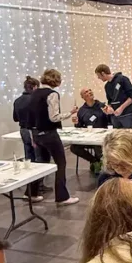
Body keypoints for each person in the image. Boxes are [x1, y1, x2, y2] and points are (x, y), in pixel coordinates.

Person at [28, 69, 79, 206]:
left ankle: (32, 193)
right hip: (49, 134)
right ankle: (62, 197)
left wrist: (33, 135)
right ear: (55, 80)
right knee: (60, 163)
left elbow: (31, 117)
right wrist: (70, 113)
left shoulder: (34, 93)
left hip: (37, 134)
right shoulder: (52, 94)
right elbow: (54, 117)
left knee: (41, 164)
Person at [12, 76, 45, 200]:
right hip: (35, 130)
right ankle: (37, 187)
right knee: (40, 159)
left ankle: (31, 188)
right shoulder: (35, 100)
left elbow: (15, 118)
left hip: (23, 130)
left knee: (29, 159)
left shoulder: (17, 100)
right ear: (35, 87)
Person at [72, 87, 109, 173]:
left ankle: (101, 166)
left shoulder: (102, 106)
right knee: (74, 147)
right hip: (88, 137)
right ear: (83, 97)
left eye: (90, 90)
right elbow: (79, 127)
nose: (89, 92)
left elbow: (109, 121)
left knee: (97, 146)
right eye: (86, 92)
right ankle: (94, 161)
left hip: (101, 137)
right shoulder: (82, 110)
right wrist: (76, 122)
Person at [95, 63, 132, 129]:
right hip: (114, 116)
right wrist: (108, 108)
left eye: (98, 75)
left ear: (103, 73)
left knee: (128, 136)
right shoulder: (107, 86)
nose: (98, 78)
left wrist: (121, 108)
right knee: (116, 137)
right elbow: (110, 101)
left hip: (125, 114)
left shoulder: (122, 79)